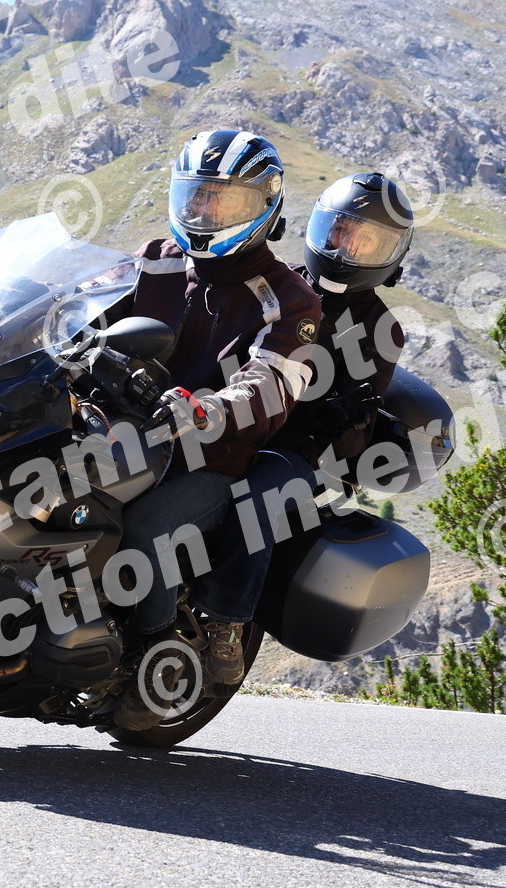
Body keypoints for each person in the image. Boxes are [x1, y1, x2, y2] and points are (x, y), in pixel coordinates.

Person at [110, 129, 320, 728]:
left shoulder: (289, 298)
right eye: (197, 196)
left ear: (265, 206)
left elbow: (273, 381)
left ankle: (155, 652)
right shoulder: (155, 259)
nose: (206, 211)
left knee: (145, 528)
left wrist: (210, 410)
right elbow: (87, 306)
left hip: (209, 459)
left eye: (224, 200)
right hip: (121, 431)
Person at [274, 172, 414, 467]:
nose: (346, 246)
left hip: (286, 457)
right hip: (223, 429)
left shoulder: (380, 329)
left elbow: (356, 441)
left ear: (388, 251)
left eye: (365, 239)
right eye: (341, 229)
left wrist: (336, 424)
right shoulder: (277, 281)